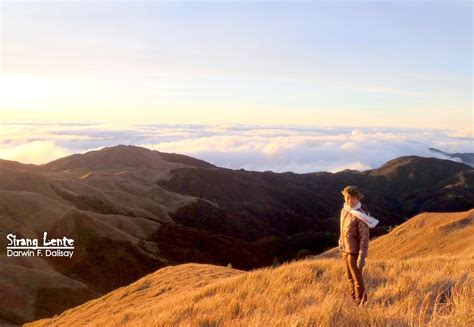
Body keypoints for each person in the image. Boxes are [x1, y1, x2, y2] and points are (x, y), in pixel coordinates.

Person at [338, 185, 379, 306]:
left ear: (358, 199)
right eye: (347, 197)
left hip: (355, 253)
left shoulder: (361, 215)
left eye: (352, 198)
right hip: (345, 251)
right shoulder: (344, 210)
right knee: (349, 278)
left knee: (357, 280)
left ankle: (362, 304)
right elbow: (342, 228)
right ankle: (354, 300)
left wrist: (362, 256)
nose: (349, 200)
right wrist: (341, 241)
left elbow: (364, 238)